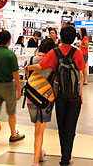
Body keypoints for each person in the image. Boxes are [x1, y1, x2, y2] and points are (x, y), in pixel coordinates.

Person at [27, 26, 86, 166]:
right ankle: (67, 157)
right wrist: (79, 93)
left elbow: (40, 66)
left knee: (62, 127)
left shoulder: (54, 53)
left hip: (59, 96)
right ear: (73, 38)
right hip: (74, 97)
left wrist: (27, 68)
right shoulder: (76, 53)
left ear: (60, 37)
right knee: (71, 128)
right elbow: (82, 75)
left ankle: (64, 156)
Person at [24, 38, 56, 166]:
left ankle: (39, 153)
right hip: (45, 99)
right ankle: (35, 161)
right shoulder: (52, 63)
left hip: (31, 99)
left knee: (36, 129)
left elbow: (28, 78)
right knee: (40, 131)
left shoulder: (31, 60)